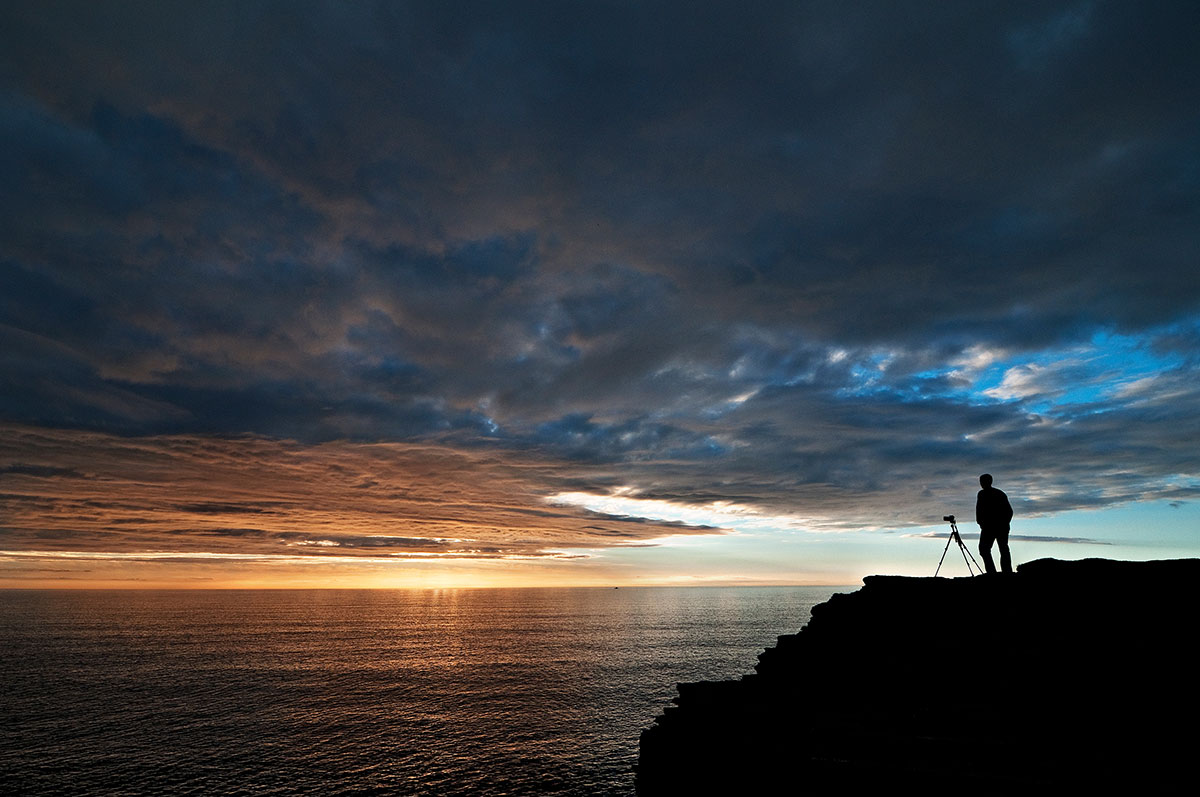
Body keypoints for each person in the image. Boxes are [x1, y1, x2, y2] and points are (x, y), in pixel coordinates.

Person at [976, 473, 1013, 574]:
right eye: (981, 482)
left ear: (989, 482)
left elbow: (1009, 511)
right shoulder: (982, 494)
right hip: (989, 527)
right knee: (985, 549)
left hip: (998, 527)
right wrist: (981, 523)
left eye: (983, 482)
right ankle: (993, 572)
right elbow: (979, 511)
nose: (981, 484)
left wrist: (1004, 523)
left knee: (1002, 549)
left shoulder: (998, 494)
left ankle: (1005, 572)